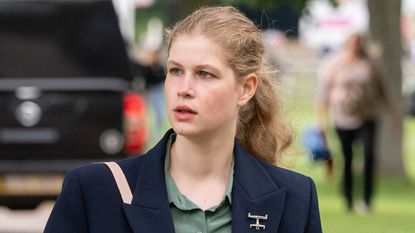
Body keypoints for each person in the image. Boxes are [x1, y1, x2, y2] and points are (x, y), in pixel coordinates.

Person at [44, 6, 322, 233]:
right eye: (175, 71)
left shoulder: (295, 198)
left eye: (204, 74)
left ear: (246, 88)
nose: (183, 88)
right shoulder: (94, 190)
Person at [316, 33, 394, 214]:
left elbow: (383, 90)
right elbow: (323, 94)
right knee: (347, 158)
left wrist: (393, 114)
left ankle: (366, 201)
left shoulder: (371, 63)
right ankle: (348, 199)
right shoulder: (335, 63)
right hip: (342, 118)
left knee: (368, 156)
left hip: (367, 117)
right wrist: (321, 120)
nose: (356, 48)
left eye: (359, 44)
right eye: (353, 44)